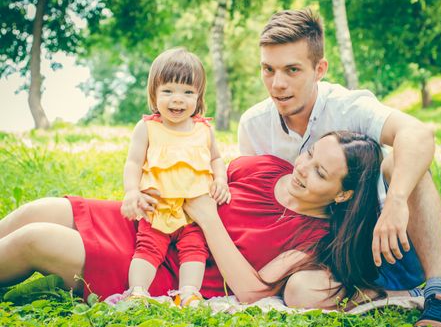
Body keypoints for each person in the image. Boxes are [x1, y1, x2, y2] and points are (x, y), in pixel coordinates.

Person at [238, 8, 441, 327]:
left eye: (292, 70)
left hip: (383, 242)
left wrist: (395, 202)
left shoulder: (348, 106)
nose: (278, 84)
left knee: (401, 159)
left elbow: (419, 134)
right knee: (299, 291)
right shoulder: (254, 125)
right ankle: (390, 293)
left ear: (320, 69)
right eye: (268, 69)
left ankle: (438, 292)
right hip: (321, 251)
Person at [2, 132, 388, 310]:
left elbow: (253, 293)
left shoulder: (314, 239)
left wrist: (207, 218)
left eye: (321, 173)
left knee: (37, 238)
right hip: (153, 226)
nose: (303, 170)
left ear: (343, 195)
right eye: (310, 156)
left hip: (167, 270)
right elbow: (202, 183)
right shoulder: (268, 169)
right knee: (42, 209)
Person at [120, 48, 230, 306]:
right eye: (168, 91)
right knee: (147, 248)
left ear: (199, 96)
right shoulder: (148, 127)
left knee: (195, 250)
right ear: (154, 93)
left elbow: (216, 158)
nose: (177, 99)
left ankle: (189, 292)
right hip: (157, 208)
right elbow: (133, 162)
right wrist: (132, 191)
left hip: (193, 213)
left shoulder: (203, 129)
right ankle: (137, 292)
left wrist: (220, 180)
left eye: (188, 92)